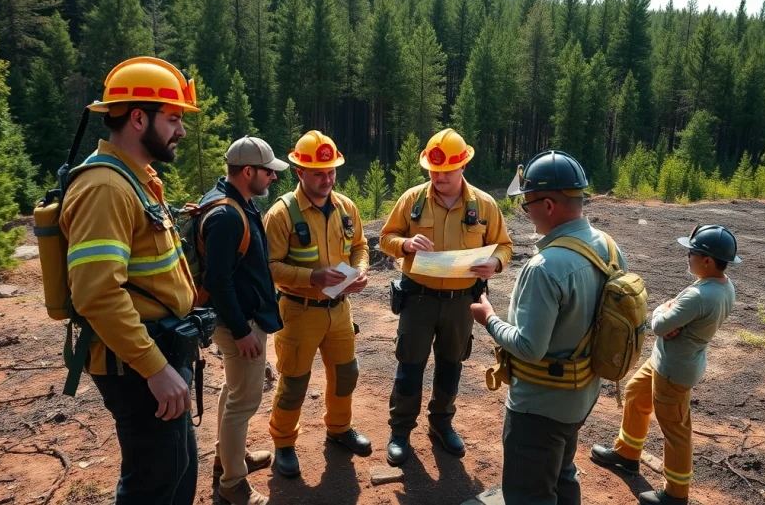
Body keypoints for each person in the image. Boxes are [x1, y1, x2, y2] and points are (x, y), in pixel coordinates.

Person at [60, 57, 199, 504]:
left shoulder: (139, 180)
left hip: (160, 352)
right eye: (174, 118)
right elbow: (97, 293)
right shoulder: (106, 188)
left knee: (177, 468)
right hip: (137, 366)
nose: (181, 130)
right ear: (138, 118)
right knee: (151, 483)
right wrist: (156, 369)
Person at [470, 150, 627, 505]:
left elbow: (529, 347)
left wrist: (489, 318)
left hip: (539, 405)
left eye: (527, 206)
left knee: (529, 492)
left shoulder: (544, 267)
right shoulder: (608, 246)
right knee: (561, 472)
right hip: (582, 394)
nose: (526, 214)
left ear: (549, 206)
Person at [379, 128, 514, 466]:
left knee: (451, 365)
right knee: (409, 365)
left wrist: (495, 262)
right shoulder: (412, 200)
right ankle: (400, 430)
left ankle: (441, 422)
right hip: (418, 299)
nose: (438, 177)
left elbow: (505, 246)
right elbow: (386, 237)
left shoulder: (483, 204)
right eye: (433, 171)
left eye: (446, 171)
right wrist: (405, 245)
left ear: (463, 167)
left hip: (461, 302)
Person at [590, 225, 740, 505]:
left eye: (692, 252)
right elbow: (672, 322)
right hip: (665, 361)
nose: (688, 256)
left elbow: (658, 324)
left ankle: (675, 494)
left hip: (674, 370)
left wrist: (663, 308)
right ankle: (627, 454)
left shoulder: (699, 295)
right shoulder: (724, 285)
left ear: (707, 260)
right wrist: (673, 315)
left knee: (676, 430)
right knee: (636, 392)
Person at [263, 130, 371, 478]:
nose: (327, 180)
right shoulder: (281, 213)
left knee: (346, 375)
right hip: (298, 312)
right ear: (299, 172)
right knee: (294, 382)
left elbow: (360, 246)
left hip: (339, 311)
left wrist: (360, 270)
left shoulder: (345, 207)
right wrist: (311, 277)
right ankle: (283, 442)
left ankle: (339, 428)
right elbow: (269, 266)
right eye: (319, 173)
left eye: (331, 172)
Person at [201, 136, 289, 505]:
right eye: (268, 172)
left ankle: (229, 458)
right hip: (238, 324)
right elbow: (216, 281)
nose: (273, 178)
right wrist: (240, 331)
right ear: (248, 171)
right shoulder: (225, 215)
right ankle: (233, 485)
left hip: (242, 320)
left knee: (233, 391)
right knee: (244, 401)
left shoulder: (237, 202)